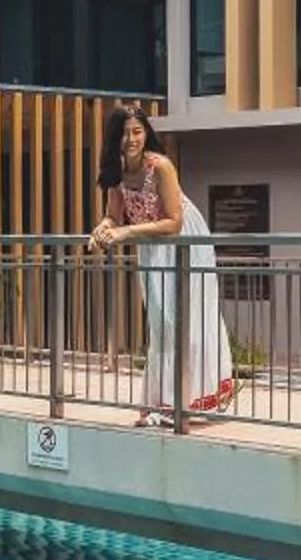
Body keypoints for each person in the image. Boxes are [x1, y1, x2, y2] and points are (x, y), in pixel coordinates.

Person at [87, 102, 235, 426]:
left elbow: (174, 222)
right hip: (152, 248)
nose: (131, 139)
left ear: (146, 134)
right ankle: (163, 403)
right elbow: (113, 213)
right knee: (161, 324)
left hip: (183, 245)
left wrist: (124, 231)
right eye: (125, 133)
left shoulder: (161, 166)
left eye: (137, 132)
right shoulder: (117, 172)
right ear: (115, 138)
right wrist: (103, 227)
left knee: (184, 320)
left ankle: (179, 404)